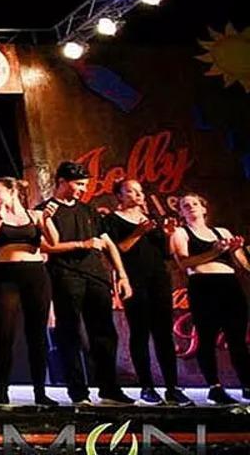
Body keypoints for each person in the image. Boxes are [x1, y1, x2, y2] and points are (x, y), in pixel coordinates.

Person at [41, 161, 135, 406]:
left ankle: (109, 389)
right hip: (65, 274)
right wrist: (82, 244)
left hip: (96, 275)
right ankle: (78, 392)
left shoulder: (88, 210)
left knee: (104, 333)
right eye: (79, 184)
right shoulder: (44, 210)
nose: (83, 189)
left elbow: (108, 243)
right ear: (62, 182)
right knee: (70, 332)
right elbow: (45, 246)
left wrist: (122, 275)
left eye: (84, 185)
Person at [101, 179, 191, 405]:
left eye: (139, 191)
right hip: (133, 279)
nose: (138, 195)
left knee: (164, 334)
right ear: (119, 196)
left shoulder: (150, 219)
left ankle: (172, 387)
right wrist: (138, 232)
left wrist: (168, 235)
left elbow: (166, 254)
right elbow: (117, 250)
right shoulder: (112, 220)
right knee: (139, 332)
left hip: (158, 278)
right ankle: (146, 386)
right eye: (130, 191)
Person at [0, 177, 59, 406]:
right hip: (6, 275)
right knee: (4, 334)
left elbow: (54, 241)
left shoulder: (35, 215)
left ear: (12, 191)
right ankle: (1, 391)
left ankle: (40, 392)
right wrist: (0, 218)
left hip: (35, 274)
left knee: (36, 334)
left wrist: (47, 220)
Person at [170, 191, 250, 405]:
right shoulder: (181, 233)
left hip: (230, 285)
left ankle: (247, 385)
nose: (191, 207)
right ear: (181, 212)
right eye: (185, 205)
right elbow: (184, 263)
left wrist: (235, 250)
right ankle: (215, 388)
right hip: (203, 285)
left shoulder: (221, 232)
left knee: (237, 338)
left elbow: (243, 265)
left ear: (204, 208)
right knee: (206, 337)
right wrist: (215, 252)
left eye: (195, 203)